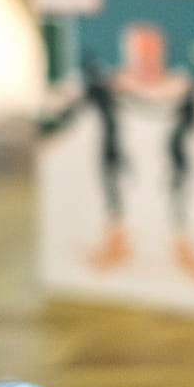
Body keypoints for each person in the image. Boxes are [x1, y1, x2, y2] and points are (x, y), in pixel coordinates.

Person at [82, 53, 128, 269]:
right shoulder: (103, 88)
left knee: (110, 182)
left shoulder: (99, 88)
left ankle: (115, 230)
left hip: (110, 142)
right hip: (112, 139)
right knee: (111, 183)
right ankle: (115, 226)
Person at [167, 66, 194, 282]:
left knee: (180, 185)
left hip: (179, 148)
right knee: (179, 185)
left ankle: (180, 222)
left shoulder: (189, 102)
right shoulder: (190, 102)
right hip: (178, 148)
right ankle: (179, 222)